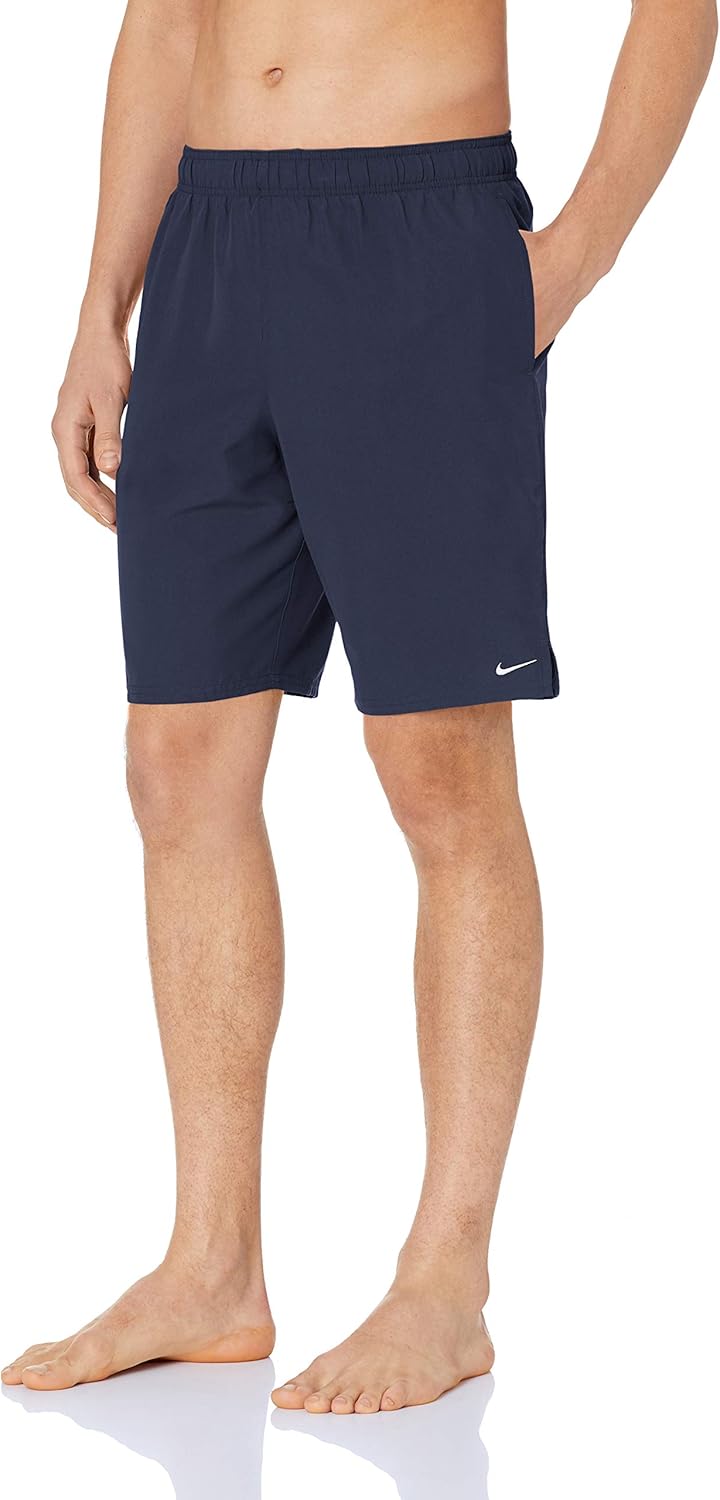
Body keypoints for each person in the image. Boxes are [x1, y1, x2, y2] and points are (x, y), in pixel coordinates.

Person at [2, 0, 716, 1413]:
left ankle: (445, 1282)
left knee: (439, 767)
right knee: (176, 760)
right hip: (212, 241)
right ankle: (211, 1267)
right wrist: (100, 305)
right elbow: (166, 19)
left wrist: (571, 259)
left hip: (419, 231)